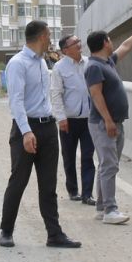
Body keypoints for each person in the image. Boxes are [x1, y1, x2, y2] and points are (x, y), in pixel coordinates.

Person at [0, 20, 82, 249]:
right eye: (49, 35)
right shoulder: (18, 63)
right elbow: (15, 101)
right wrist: (26, 132)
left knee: (48, 185)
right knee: (18, 181)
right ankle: (6, 230)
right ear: (42, 36)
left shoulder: (43, 63)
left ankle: (54, 234)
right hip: (26, 129)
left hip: (47, 128)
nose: (51, 40)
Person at [83, 19, 132, 225]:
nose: (113, 42)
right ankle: (110, 210)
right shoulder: (94, 67)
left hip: (114, 122)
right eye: (110, 39)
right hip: (104, 123)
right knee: (109, 166)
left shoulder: (107, 62)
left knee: (106, 165)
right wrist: (108, 120)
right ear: (105, 42)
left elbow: (126, 46)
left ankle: (101, 207)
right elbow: (96, 95)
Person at [48, 33, 95, 205]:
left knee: (88, 156)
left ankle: (87, 194)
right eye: (75, 43)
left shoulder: (89, 63)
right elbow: (56, 94)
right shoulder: (59, 68)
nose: (79, 44)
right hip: (68, 120)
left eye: (78, 41)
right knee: (69, 157)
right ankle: (73, 190)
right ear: (65, 50)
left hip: (89, 119)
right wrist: (61, 118)